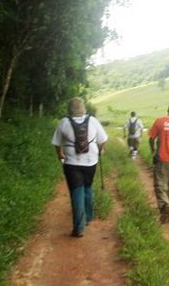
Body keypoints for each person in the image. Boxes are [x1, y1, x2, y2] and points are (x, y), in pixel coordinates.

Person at [52, 97, 108, 237]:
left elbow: (57, 143)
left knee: (77, 191)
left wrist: (60, 154)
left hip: (72, 162)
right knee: (88, 187)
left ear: (70, 109)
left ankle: (79, 227)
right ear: (83, 108)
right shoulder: (93, 120)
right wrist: (101, 150)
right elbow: (102, 140)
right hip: (91, 162)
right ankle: (88, 217)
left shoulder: (64, 122)